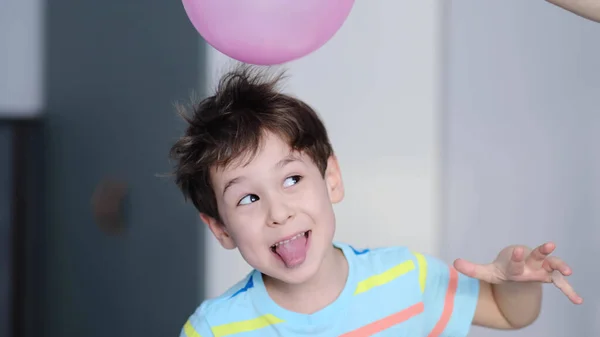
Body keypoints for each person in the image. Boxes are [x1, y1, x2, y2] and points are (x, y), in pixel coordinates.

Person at [170, 65, 582, 337]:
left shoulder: (405, 277)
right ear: (220, 228)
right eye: (248, 199)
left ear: (331, 178)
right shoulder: (213, 329)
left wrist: (518, 285)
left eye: (292, 178)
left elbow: (510, 314)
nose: (279, 212)